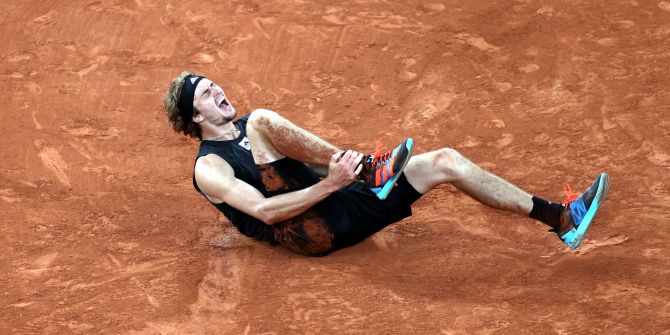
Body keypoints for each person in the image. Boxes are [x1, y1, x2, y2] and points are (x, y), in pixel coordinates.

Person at [162, 71, 610, 256]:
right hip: (306, 231)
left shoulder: (252, 132)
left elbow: (312, 170)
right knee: (261, 118)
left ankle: (560, 217)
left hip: (338, 202)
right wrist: (333, 182)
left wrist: (336, 179)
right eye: (205, 93)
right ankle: (367, 170)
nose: (217, 90)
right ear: (195, 116)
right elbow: (263, 211)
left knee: (445, 161)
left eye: (213, 83)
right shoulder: (210, 166)